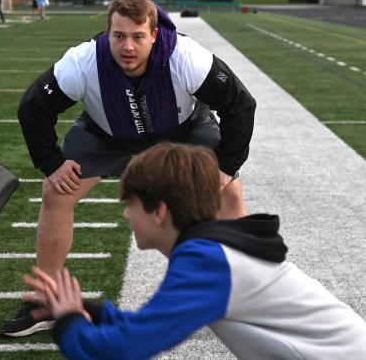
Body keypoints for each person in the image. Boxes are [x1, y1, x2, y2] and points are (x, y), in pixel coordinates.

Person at [0, 0, 256, 337]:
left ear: (154, 34)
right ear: (107, 34)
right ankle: (44, 302)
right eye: (119, 36)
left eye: (137, 37)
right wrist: (52, 163)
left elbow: (240, 104)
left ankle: (243, 294)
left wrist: (225, 168)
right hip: (107, 134)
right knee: (56, 192)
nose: (128, 47)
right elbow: (33, 107)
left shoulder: (186, 57)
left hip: (182, 132)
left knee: (229, 191)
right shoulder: (84, 61)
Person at [22, 142, 366, 358]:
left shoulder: (206, 261)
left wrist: (68, 322)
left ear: (159, 211)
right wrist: (87, 310)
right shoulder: (212, 251)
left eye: (131, 204)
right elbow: (146, 327)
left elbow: (123, 350)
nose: (126, 214)